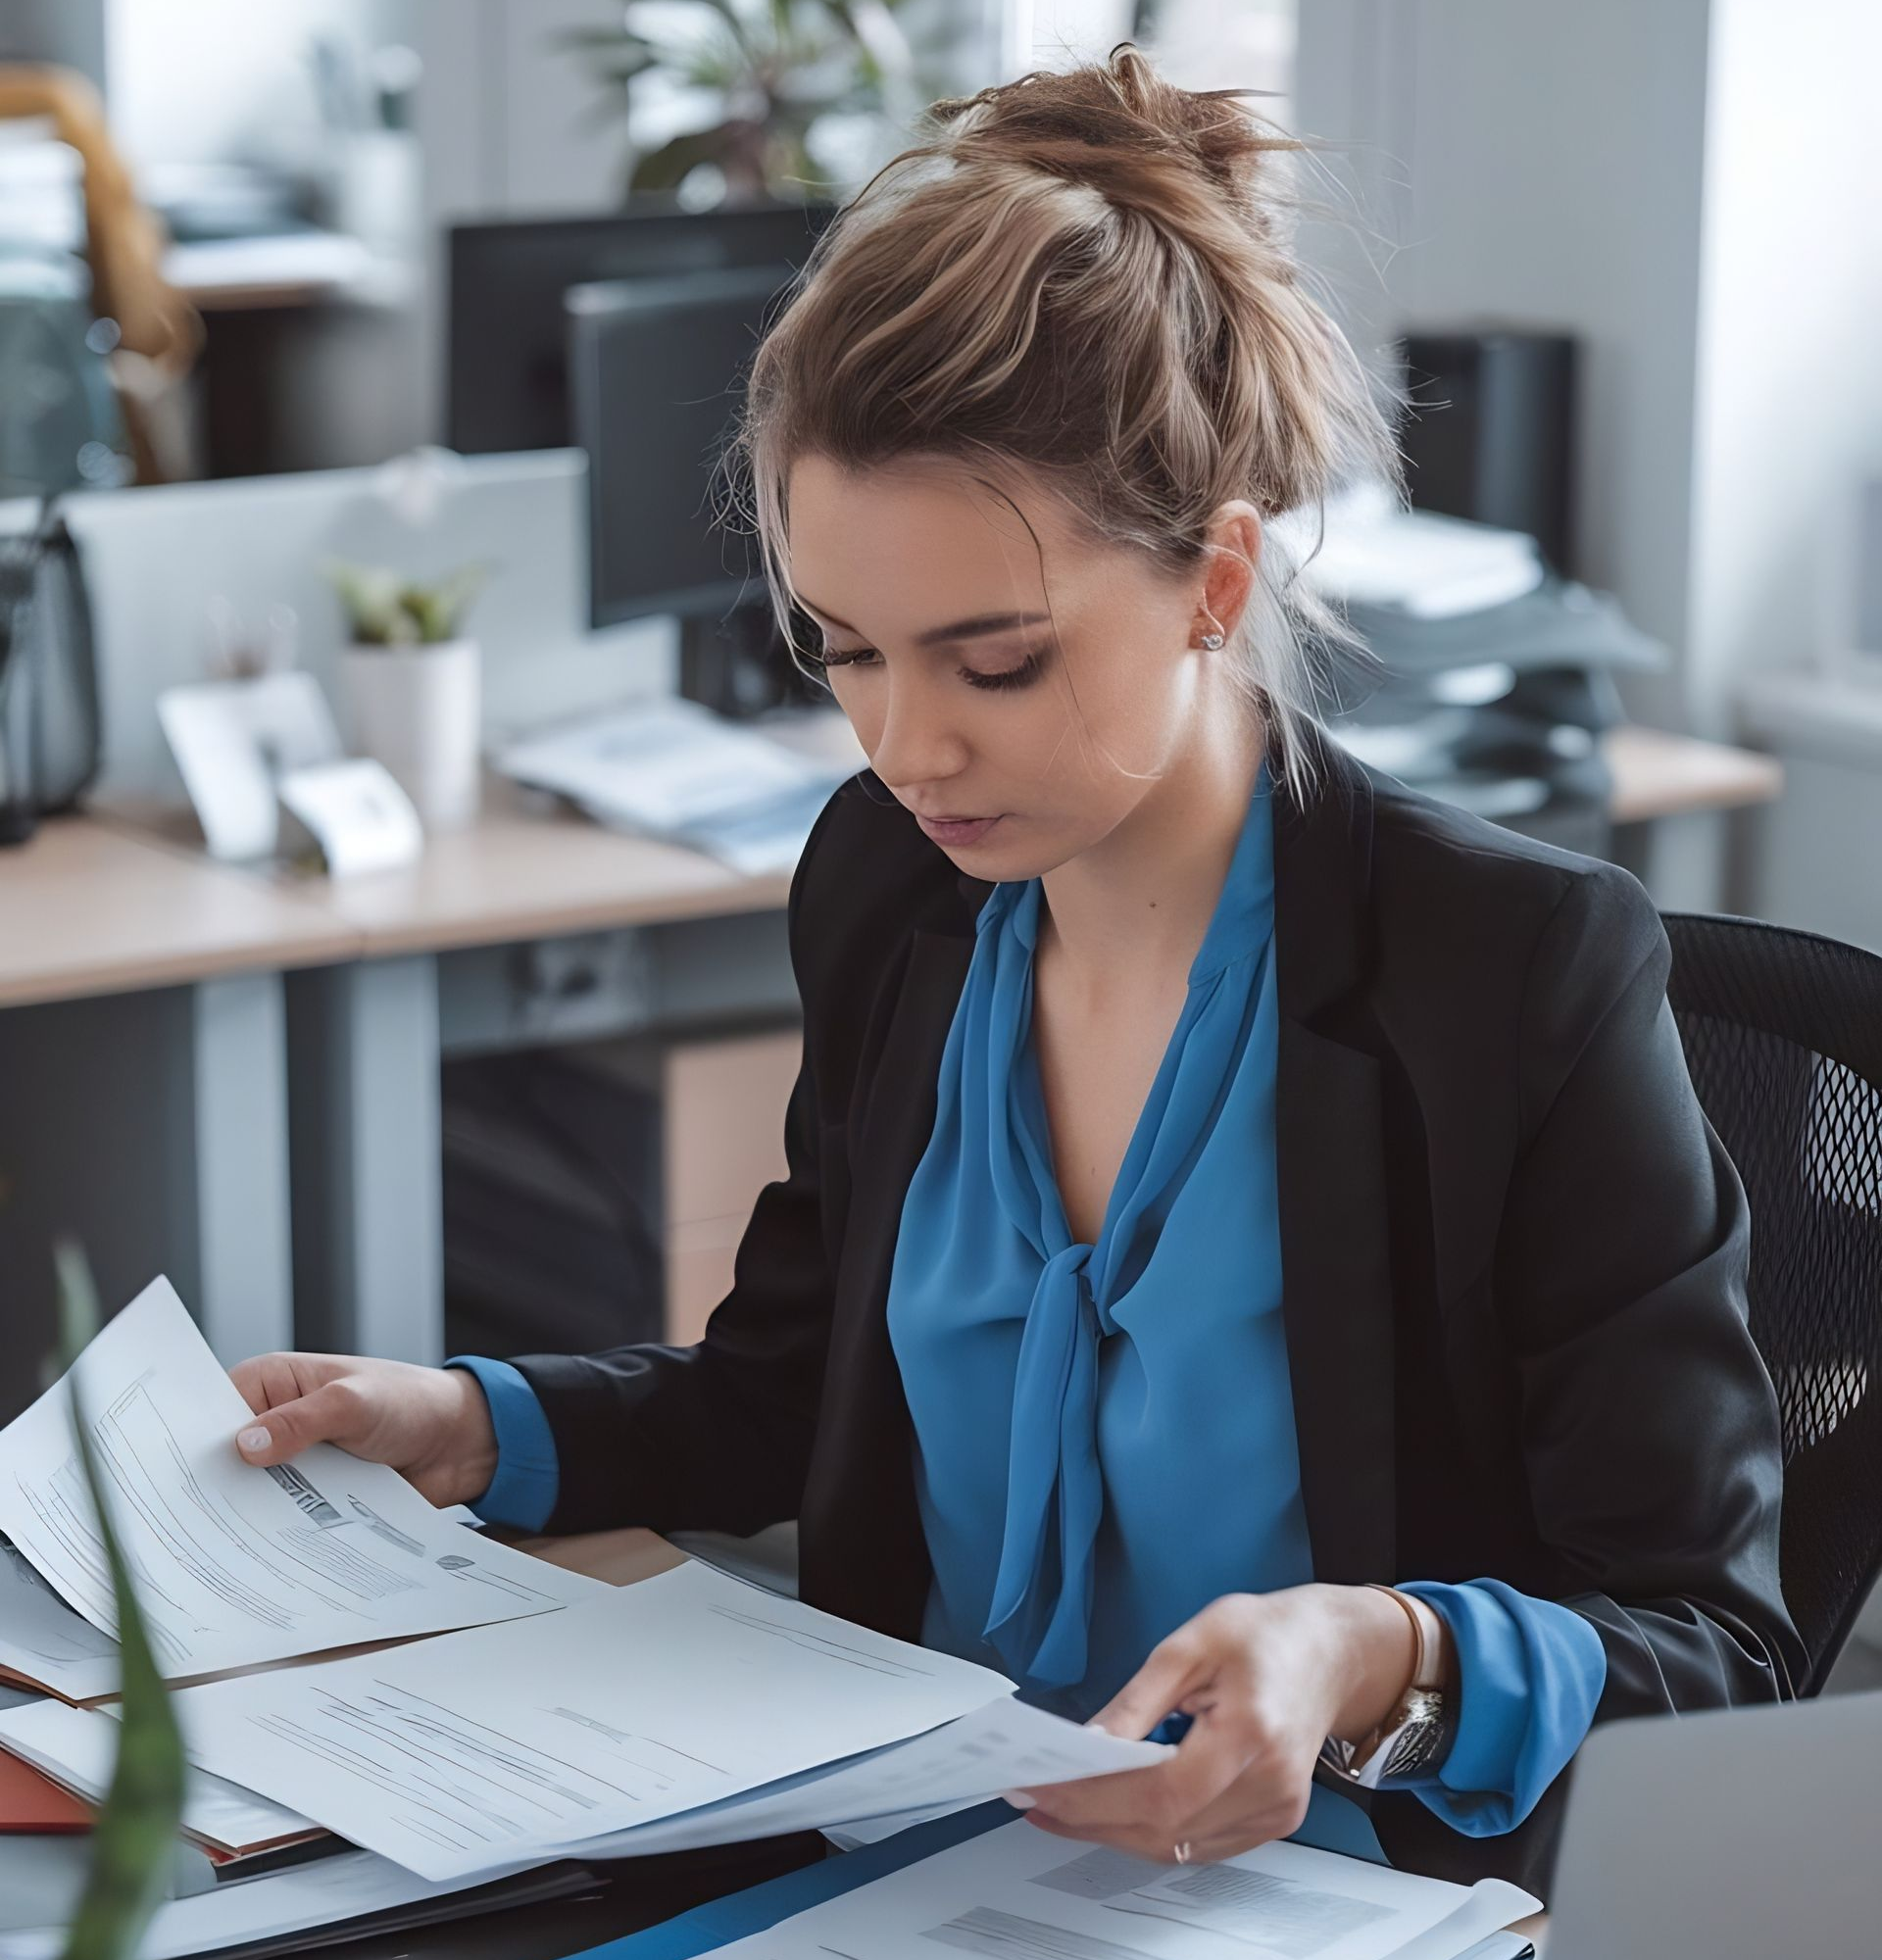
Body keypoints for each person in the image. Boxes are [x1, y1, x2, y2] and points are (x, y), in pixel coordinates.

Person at [226, 48, 1800, 1892]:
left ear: (1216, 582)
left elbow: (1723, 1649)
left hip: (1326, 1900)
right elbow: (785, 1393)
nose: (907, 748)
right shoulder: (894, 895)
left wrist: (1382, 1656)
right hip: (910, 1862)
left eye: (995, 662)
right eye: (847, 650)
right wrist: (483, 1422)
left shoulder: (1511, 972)